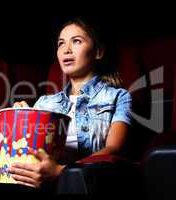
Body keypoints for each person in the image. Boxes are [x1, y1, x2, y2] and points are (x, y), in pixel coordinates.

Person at [8, 17, 132, 188]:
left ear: (98, 52)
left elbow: (113, 150)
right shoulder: (45, 103)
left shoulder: (118, 97)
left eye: (76, 41)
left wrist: (61, 171)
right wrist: (20, 119)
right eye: (61, 43)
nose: (66, 50)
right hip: (40, 185)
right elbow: (26, 152)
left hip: (87, 182)